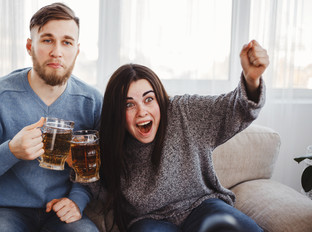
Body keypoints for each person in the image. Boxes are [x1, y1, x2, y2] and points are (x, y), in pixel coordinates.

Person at [0, 3, 102, 232]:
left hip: (61, 211)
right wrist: (11, 151)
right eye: (47, 40)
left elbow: (96, 172)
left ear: (77, 51)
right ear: (29, 46)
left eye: (67, 42)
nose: (57, 52)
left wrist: (77, 201)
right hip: (5, 211)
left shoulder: (91, 102)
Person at [99, 40, 269, 232]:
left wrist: (251, 80)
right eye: (129, 104)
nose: (142, 112)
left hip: (203, 206)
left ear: (159, 99)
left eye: (149, 99)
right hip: (149, 221)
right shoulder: (109, 143)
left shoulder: (183, 112)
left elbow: (235, 108)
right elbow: (95, 186)